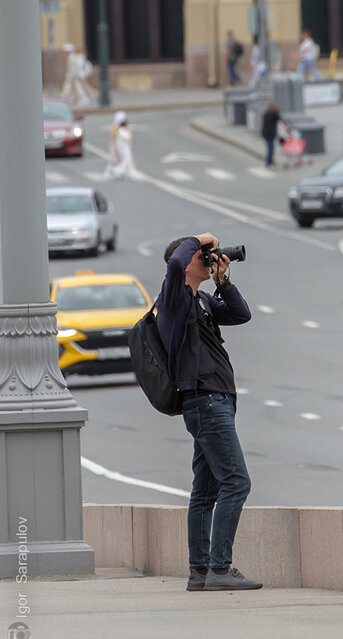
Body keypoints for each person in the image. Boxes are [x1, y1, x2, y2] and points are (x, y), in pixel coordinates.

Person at [155, 232, 262, 592]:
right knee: (237, 481)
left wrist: (223, 281)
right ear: (189, 261)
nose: (211, 257)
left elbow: (240, 314)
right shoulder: (173, 297)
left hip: (215, 401)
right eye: (205, 255)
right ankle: (220, 567)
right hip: (206, 401)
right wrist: (200, 238)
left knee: (206, 489)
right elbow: (174, 262)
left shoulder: (200, 298)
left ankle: (199, 571)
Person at [103, 111, 137, 179]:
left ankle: (113, 171)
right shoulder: (120, 130)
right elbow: (127, 138)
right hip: (121, 148)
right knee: (125, 160)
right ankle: (116, 172)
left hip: (117, 148)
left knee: (119, 161)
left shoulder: (116, 128)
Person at [261, 101, 285, 167]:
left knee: (271, 147)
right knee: (270, 148)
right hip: (269, 133)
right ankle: (269, 162)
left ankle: (270, 161)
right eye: (275, 106)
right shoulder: (273, 113)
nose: (276, 107)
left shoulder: (266, 112)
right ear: (272, 106)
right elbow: (281, 119)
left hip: (266, 133)